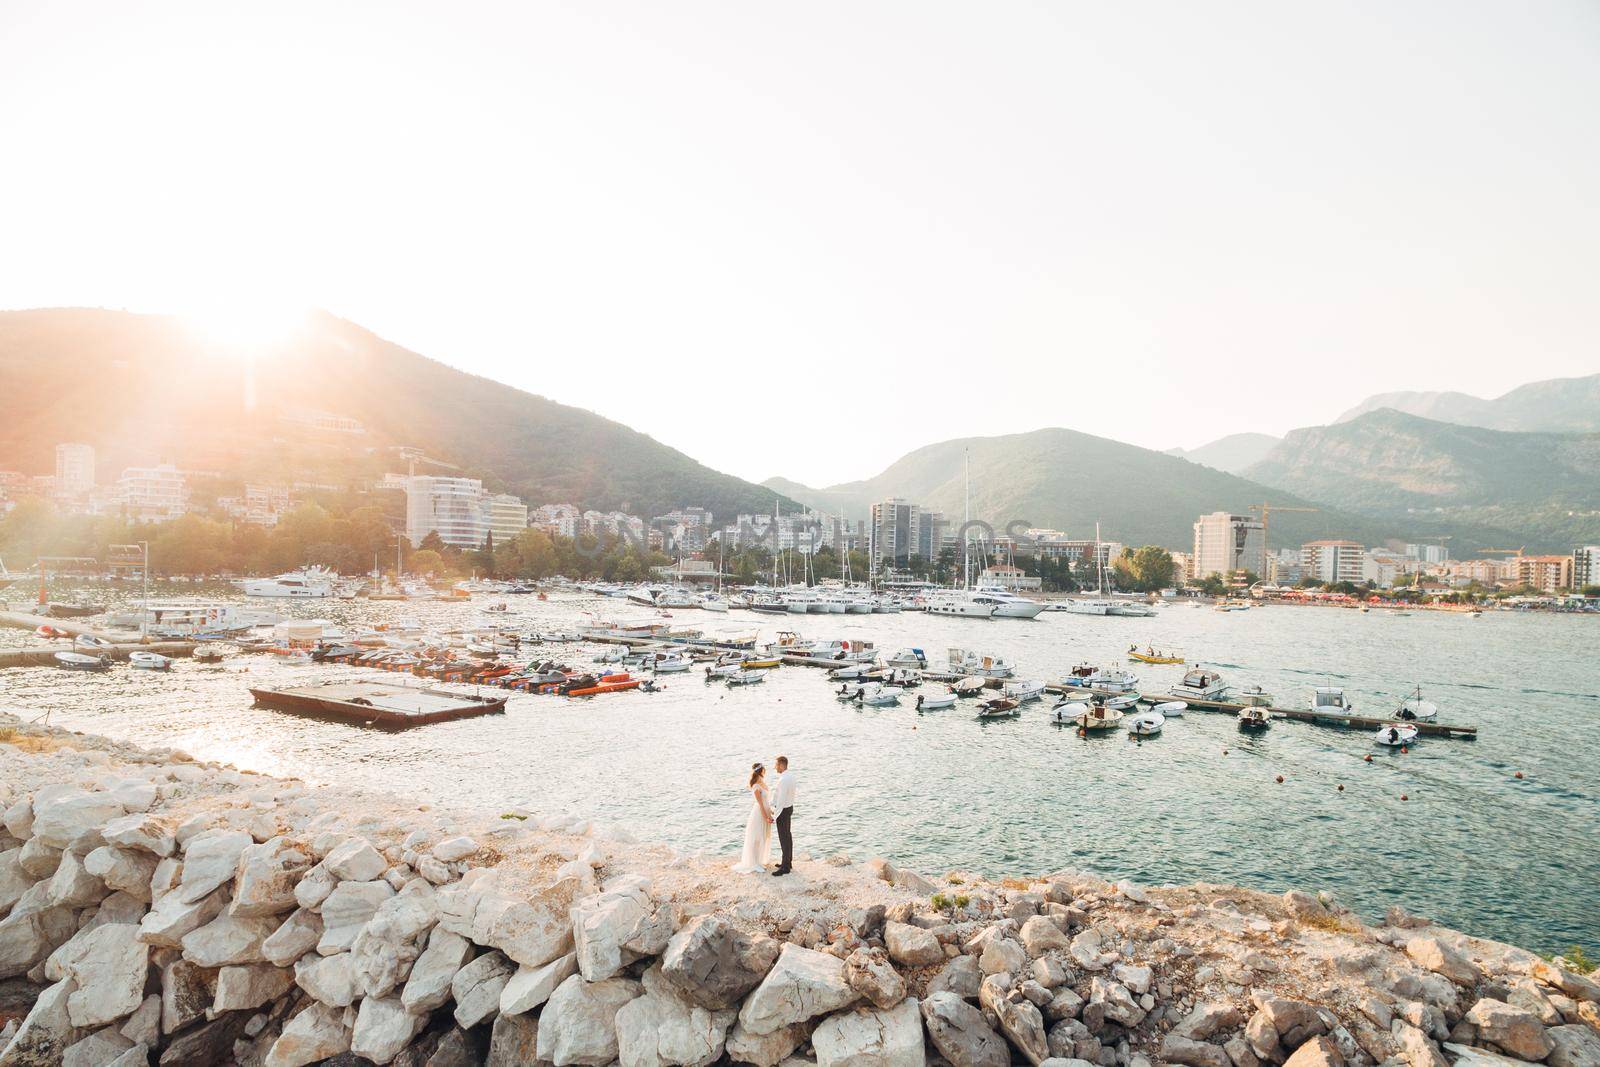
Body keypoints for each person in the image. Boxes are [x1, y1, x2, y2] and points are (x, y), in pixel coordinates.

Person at [731, 762, 774, 873]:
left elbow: (766, 802)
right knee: (757, 838)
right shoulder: (755, 786)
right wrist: (766, 817)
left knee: (763, 837)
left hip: (766, 811)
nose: (765, 771)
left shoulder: (763, 783)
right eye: (764, 769)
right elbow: (760, 804)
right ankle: (754, 863)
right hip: (759, 814)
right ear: (761, 770)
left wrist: (771, 813)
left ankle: (759, 861)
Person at [770, 755, 796, 877]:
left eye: (776, 765)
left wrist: (774, 816)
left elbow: (780, 800)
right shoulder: (790, 776)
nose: (775, 767)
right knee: (788, 836)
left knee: (784, 838)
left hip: (783, 811)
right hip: (789, 808)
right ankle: (787, 862)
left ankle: (785, 867)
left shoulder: (783, 779)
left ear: (781, 765)